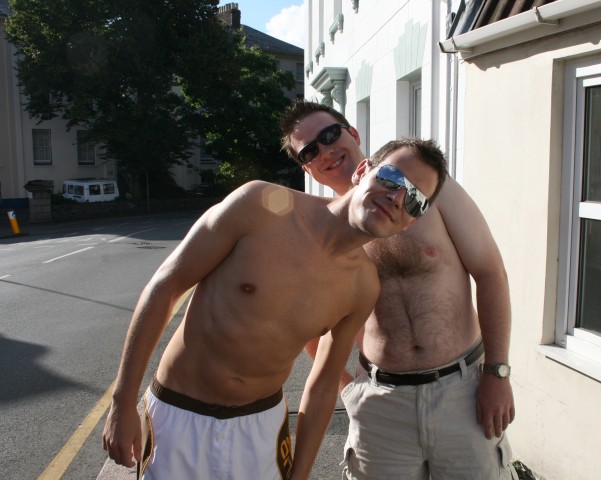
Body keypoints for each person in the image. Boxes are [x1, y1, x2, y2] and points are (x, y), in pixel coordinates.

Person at [101, 145, 446, 480]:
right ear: (361, 171)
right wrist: (122, 401)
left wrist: (301, 473)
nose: (397, 198)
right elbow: (165, 287)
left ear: (410, 222)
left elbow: (324, 385)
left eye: (414, 200)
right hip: (178, 414)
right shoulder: (259, 205)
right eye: (391, 178)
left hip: (260, 428)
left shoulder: (363, 286)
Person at [280, 100, 517, 479]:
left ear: (352, 134)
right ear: (307, 168)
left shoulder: (429, 188)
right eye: (310, 151)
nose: (325, 150)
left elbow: (490, 273)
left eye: (330, 134)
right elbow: (307, 326)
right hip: (380, 404)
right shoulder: (323, 232)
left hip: (462, 393)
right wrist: (348, 389)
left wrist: (497, 372)